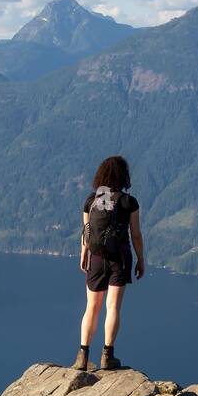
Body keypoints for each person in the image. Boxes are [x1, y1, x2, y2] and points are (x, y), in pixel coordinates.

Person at [74, 155, 145, 371]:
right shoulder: (128, 202)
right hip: (119, 259)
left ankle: (82, 357)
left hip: (95, 258)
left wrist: (84, 253)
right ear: (123, 176)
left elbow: (86, 232)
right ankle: (107, 356)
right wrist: (141, 259)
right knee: (112, 306)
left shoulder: (91, 200)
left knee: (91, 308)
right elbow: (136, 235)